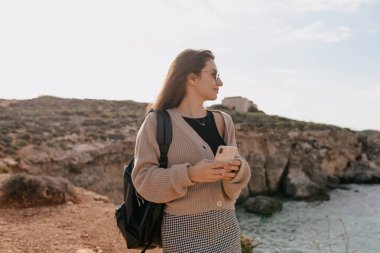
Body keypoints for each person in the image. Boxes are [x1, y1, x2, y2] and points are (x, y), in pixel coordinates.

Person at [131, 49, 251, 252]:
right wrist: (190, 174)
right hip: (183, 233)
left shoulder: (224, 121)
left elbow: (240, 175)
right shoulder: (157, 122)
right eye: (214, 75)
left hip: (227, 229)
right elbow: (143, 180)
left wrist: (237, 169)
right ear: (192, 78)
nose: (220, 82)